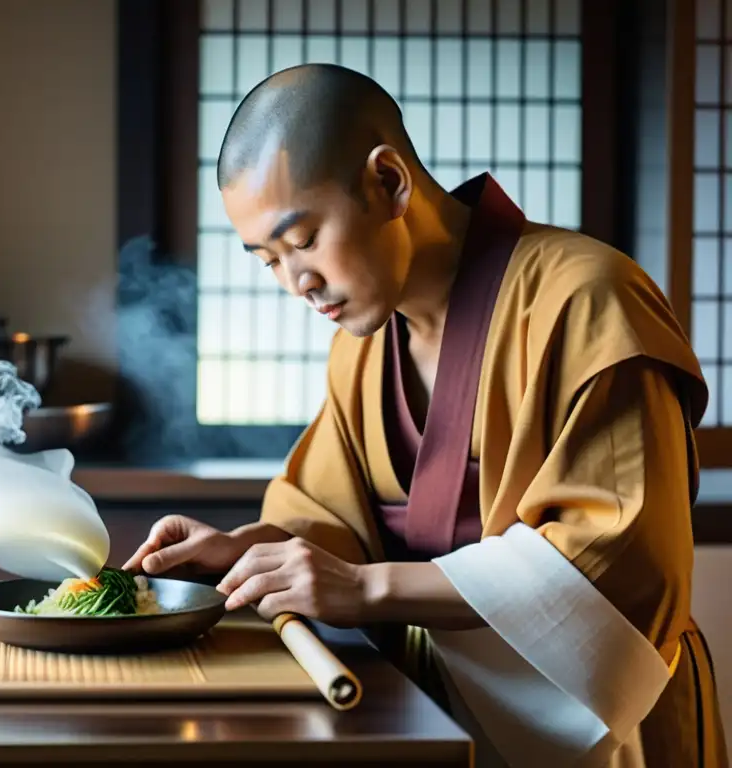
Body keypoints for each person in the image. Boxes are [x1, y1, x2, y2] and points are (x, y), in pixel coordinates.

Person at [123, 63, 727, 767]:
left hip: (609, 730)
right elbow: (328, 519)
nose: (297, 282)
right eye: (270, 261)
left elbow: (617, 566)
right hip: (433, 713)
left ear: (389, 182)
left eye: (306, 239)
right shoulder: (362, 350)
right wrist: (252, 552)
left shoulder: (590, 300)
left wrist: (368, 588)